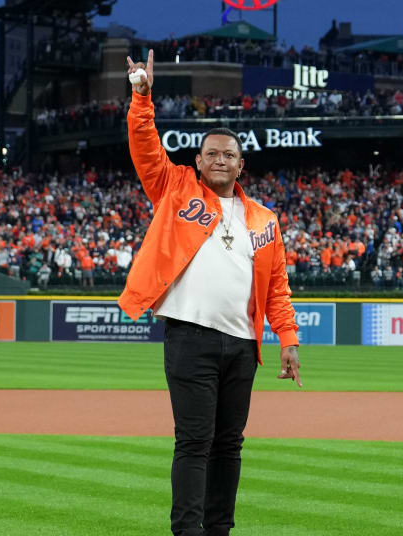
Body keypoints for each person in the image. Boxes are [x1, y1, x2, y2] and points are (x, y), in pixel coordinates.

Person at [119, 50, 302, 536]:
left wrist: (288, 339)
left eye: (229, 155)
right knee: (194, 441)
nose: (221, 159)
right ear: (197, 161)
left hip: (242, 345)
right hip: (191, 337)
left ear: (242, 165)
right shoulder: (174, 188)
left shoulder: (263, 219)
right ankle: (188, 531)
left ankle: (220, 529)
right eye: (212, 154)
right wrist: (142, 98)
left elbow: (277, 287)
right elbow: (145, 147)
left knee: (229, 445)